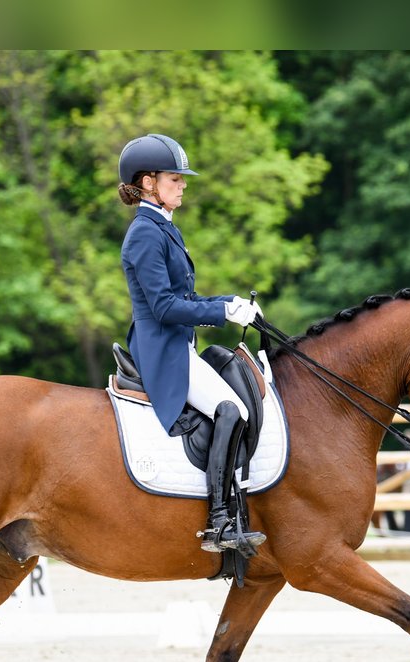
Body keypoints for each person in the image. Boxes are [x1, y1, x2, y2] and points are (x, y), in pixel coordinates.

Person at [117, 133, 266, 555]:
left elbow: (186, 299)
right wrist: (221, 315)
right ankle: (219, 520)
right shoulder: (145, 233)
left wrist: (229, 303)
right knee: (231, 409)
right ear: (148, 183)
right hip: (162, 349)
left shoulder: (162, 228)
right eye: (175, 178)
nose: (183, 185)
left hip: (175, 343)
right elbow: (164, 307)